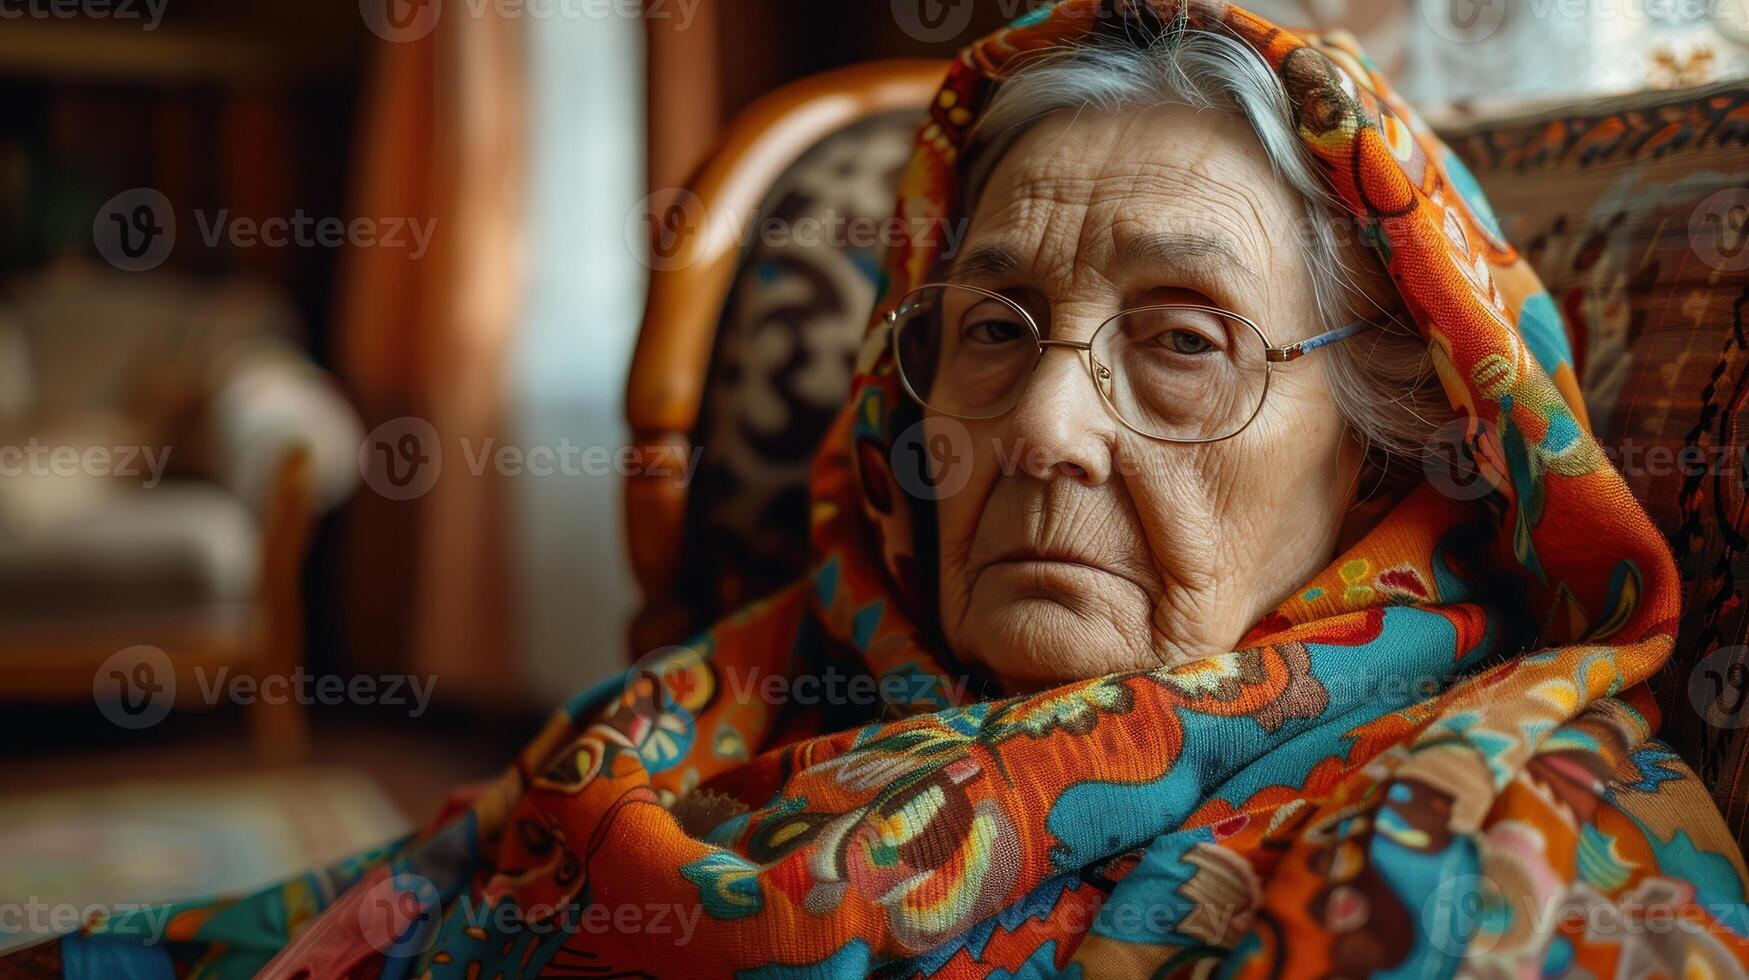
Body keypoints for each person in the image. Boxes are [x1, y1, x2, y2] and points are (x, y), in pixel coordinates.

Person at [43, 1, 1749, 976]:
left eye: (1180, 339)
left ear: (1385, 441)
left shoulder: (1495, 859)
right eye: (991, 329)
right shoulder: (740, 704)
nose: (1041, 433)